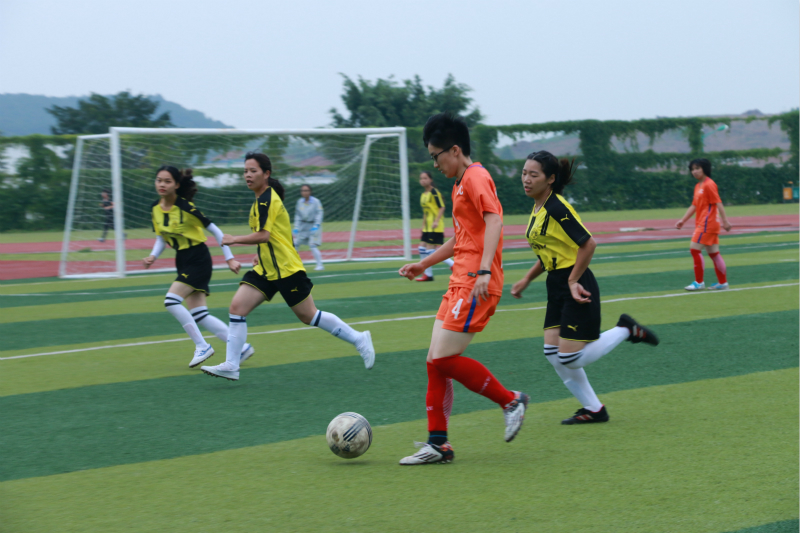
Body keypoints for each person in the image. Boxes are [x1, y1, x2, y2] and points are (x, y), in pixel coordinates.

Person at [397, 113, 529, 465]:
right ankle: (438, 444)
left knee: (443, 358)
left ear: (454, 150)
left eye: (436, 156)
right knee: (434, 362)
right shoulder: (459, 184)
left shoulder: (476, 177)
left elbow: (494, 220)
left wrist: (484, 270)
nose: (434, 164)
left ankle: (511, 401)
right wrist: (424, 264)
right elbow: (462, 237)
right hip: (460, 281)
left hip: (476, 282)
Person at [510, 151, 660, 425]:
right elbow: (550, 252)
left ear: (550, 179)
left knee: (570, 357)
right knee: (553, 354)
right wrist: (527, 279)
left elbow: (588, 244)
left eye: (533, 174)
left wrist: (572, 280)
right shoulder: (538, 208)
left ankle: (626, 329)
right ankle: (594, 409)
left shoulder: (557, 208)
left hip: (576, 283)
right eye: (524, 173)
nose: (526, 179)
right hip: (556, 284)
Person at [200, 152, 375, 381]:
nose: (248, 175)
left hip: (286, 270)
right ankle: (232, 365)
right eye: (245, 171)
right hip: (266, 270)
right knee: (237, 308)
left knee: (309, 316)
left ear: (266, 174)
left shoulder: (267, 200)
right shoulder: (260, 200)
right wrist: (259, 255)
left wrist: (234, 239)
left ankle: (359, 338)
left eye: (253, 171)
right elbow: (278, 236)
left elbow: (264, 235)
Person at [142, 165, 254, 368]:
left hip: (198, 259)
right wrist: (152, 256)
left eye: (167, 181)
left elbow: (216, 231)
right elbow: (161, 237)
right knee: (200, 314)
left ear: (176, 185)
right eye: (159, 180)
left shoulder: (185, 208)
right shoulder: (154, 208)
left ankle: (202, 346)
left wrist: (229, 258)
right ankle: (242, 348)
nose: (162, 184)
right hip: (182, 259)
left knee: (171, 301)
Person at [675, 158, 732, 291]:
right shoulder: (698, 186)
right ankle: (723, 283)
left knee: (694, 249)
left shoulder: (709, 184)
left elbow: (718, 203)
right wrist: (683, 220)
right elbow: (694, 205)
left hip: (708, 223)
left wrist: (725, 221)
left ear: (704, 169)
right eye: (692, 169)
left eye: (697, 168)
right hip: (707, 224)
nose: (694, 171)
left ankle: (699, 282)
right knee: (714, 253)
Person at [416, 171, 454, 281]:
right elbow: (425, 212)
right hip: (427, 227)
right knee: (422, 248)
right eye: (421, 178)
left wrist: (436, 221)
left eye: (425, 178)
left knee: (430, 251)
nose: (423, 180)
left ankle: (453, 264)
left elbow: (442, 207)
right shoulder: (423, 195)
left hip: (435, 226)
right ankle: (428, 275)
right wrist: (423, 225)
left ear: (430, 180)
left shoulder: (434, 192)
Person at [293, 184, 325, 271]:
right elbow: (297, 215)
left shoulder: (316, 201)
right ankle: (294, 264)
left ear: (310, 191)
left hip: (313, 225)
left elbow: (319, 213)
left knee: (312, 245)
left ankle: (320, 265)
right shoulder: (299, 202)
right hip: (303, 226)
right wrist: (296, 227)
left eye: (306, 190)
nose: (304, 192)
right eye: (302, 190)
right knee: (295, 243)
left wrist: (316, 226)